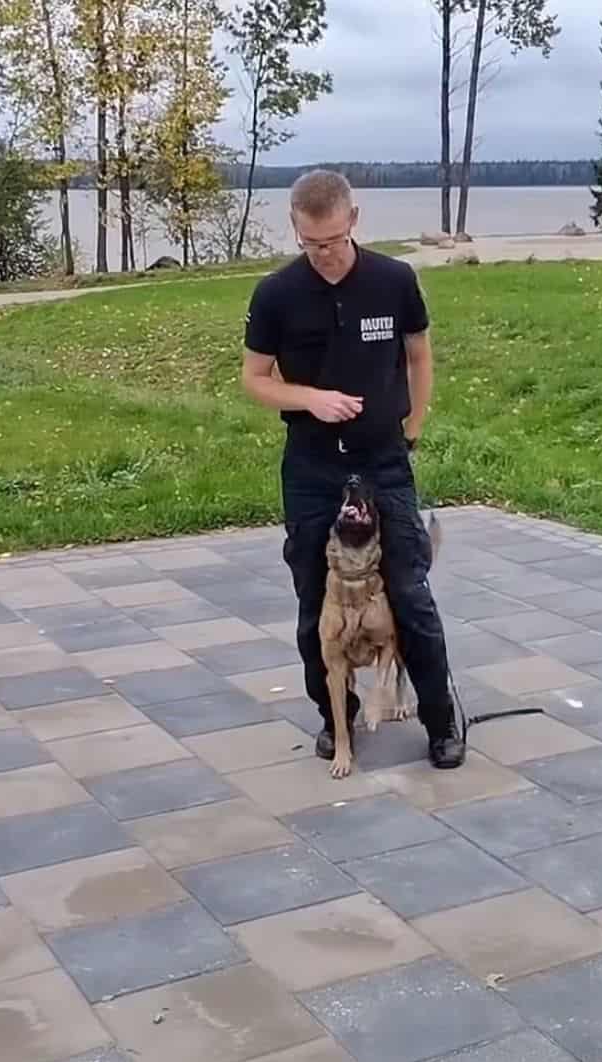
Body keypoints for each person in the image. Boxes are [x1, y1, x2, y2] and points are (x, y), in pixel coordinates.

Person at [239, 169, 465, 771]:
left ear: (354, 221)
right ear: (296, 229)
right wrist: (309, 398)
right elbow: (255, 380)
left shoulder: (393, 281)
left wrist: (412, 426)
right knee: (315, 601)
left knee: (411, 593)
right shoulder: (275, 295)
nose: (327, 255)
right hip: (312, 468)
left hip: (381, 460)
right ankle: (331, 717)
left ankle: (441, 720)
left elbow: (418, 354)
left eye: (335, 241)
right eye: (313, 244)